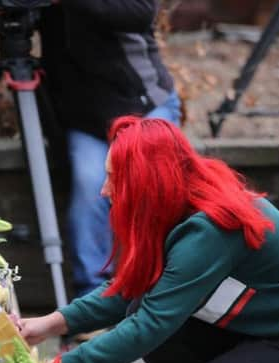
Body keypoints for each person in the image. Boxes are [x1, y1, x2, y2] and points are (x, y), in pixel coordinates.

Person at [19, 116, 279, 363]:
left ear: (147, 182)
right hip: (272, 331)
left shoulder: (211, 229)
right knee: (145, 309)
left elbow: (151, 324)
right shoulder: (181, 204)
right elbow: (131, 287)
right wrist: (48, 325)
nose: (104, 191)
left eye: (114, 179)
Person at [39, 1, 181, 301]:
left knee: (152, 186)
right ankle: (93, 298)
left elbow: (140, 12)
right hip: (87, 120)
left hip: (143, 105)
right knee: (90, 187)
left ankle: (169, 289)